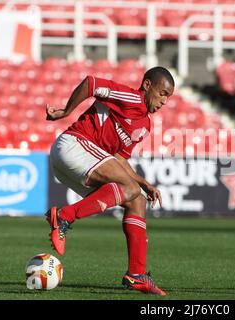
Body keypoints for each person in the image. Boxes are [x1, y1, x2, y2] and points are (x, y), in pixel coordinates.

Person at [45, 66, 175, 296]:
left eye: (169, 97)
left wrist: (144, 183)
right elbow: (91, 83)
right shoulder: (131, 97)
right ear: (147, 85)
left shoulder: (144, 126)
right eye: (162, 93)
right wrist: (66, 111)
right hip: (74, 145)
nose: (164, 101)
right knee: (129, 188)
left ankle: (136, 275)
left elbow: (118, 159)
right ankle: (64, 216)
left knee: (137, 199)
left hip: (78, 161)